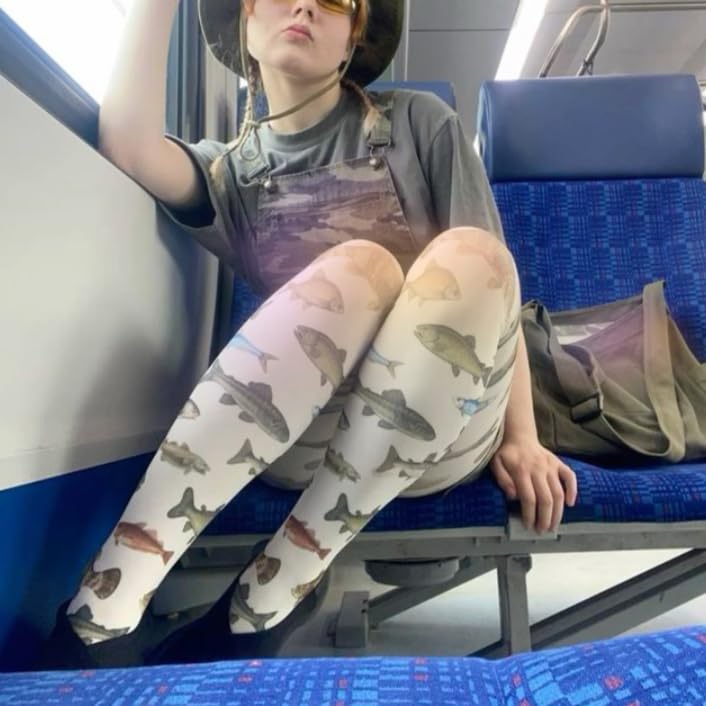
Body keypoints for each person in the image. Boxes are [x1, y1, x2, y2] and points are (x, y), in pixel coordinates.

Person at [38, 0, 577, 670]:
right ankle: (101, 611)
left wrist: (523, 437)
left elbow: (492, 295)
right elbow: (127, 143)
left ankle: (272, 592)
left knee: (470, 255)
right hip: (300, 432)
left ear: (353, 41)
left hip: (440, 432)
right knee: (359, 269)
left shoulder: (420, 123)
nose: (303, 6)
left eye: (334, 1)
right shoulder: (230, 173)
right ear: (244, 22)